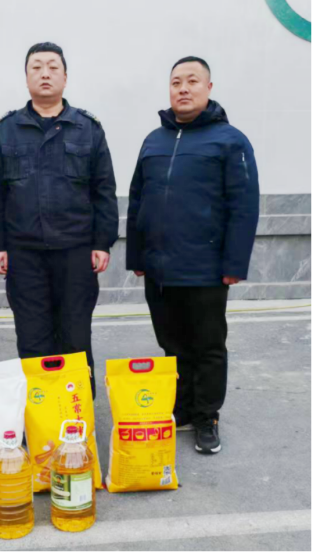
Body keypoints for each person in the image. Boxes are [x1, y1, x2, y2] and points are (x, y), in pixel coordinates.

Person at [126, 56, 260, 454]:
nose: (183, 89)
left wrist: (234, 264)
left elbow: (243, 206)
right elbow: (137, 200)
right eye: (176, 82)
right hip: (159, 269)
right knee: (171, 345)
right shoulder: (154, 140)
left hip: (205, 269)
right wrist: (137, 256)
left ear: (208, 88)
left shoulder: (230, 140)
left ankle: (206, 417)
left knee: (207, 346)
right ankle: (181, 407)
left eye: (192, 81)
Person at [0, 42, 119, 397]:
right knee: (32, 338)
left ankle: (78, 412)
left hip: (76, 252)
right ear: (26, 77)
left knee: (75, 336)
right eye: (36, 67)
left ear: (65, 77)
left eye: (52, 67)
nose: (45, 73)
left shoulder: (88, 128)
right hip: (24, 254)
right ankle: (42, 413)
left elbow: (104, 189)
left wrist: (102, 242)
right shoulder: (6, 129)